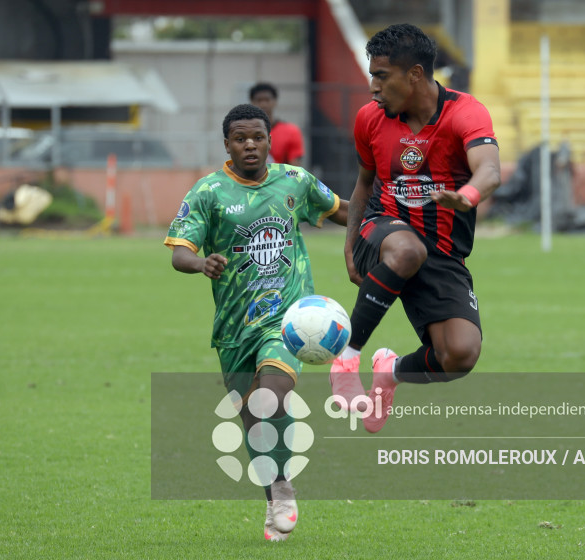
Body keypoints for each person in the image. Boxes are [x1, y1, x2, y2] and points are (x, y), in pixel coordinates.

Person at [164, 103, 348, 541]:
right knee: (254, 421)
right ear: (226, 144)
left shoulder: (295, 181)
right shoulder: (208, 192)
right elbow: (178, 252)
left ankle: (283, 487)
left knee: (271, 397)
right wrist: (199, 263)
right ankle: (274, 495)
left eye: (258, 138)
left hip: (288, 318)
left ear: (270, 140)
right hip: (234, 328)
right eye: (241, 139)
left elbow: (343, 210)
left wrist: (386, 224)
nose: (251, 145)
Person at [330, 23, 501, 433]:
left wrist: (469, 196)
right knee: (406, 250)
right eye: (372, 75)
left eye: (380, 76)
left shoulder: (465, 112)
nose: (372, 87)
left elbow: (490, 170)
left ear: (415, 75)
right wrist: (351, 245)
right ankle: (347, 357)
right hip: (383, 229)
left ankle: (390, 372)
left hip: (441, 250)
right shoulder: (369, 119)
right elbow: (364, 185)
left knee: (459, 356)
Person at [249, 82, 306, 166]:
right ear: (252, 102)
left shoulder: (291, 131)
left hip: (282, 178)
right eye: (259, 100)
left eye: (267, 100)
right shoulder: (245, 132)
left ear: (275, 101)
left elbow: (295, 170)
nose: (263, 104)